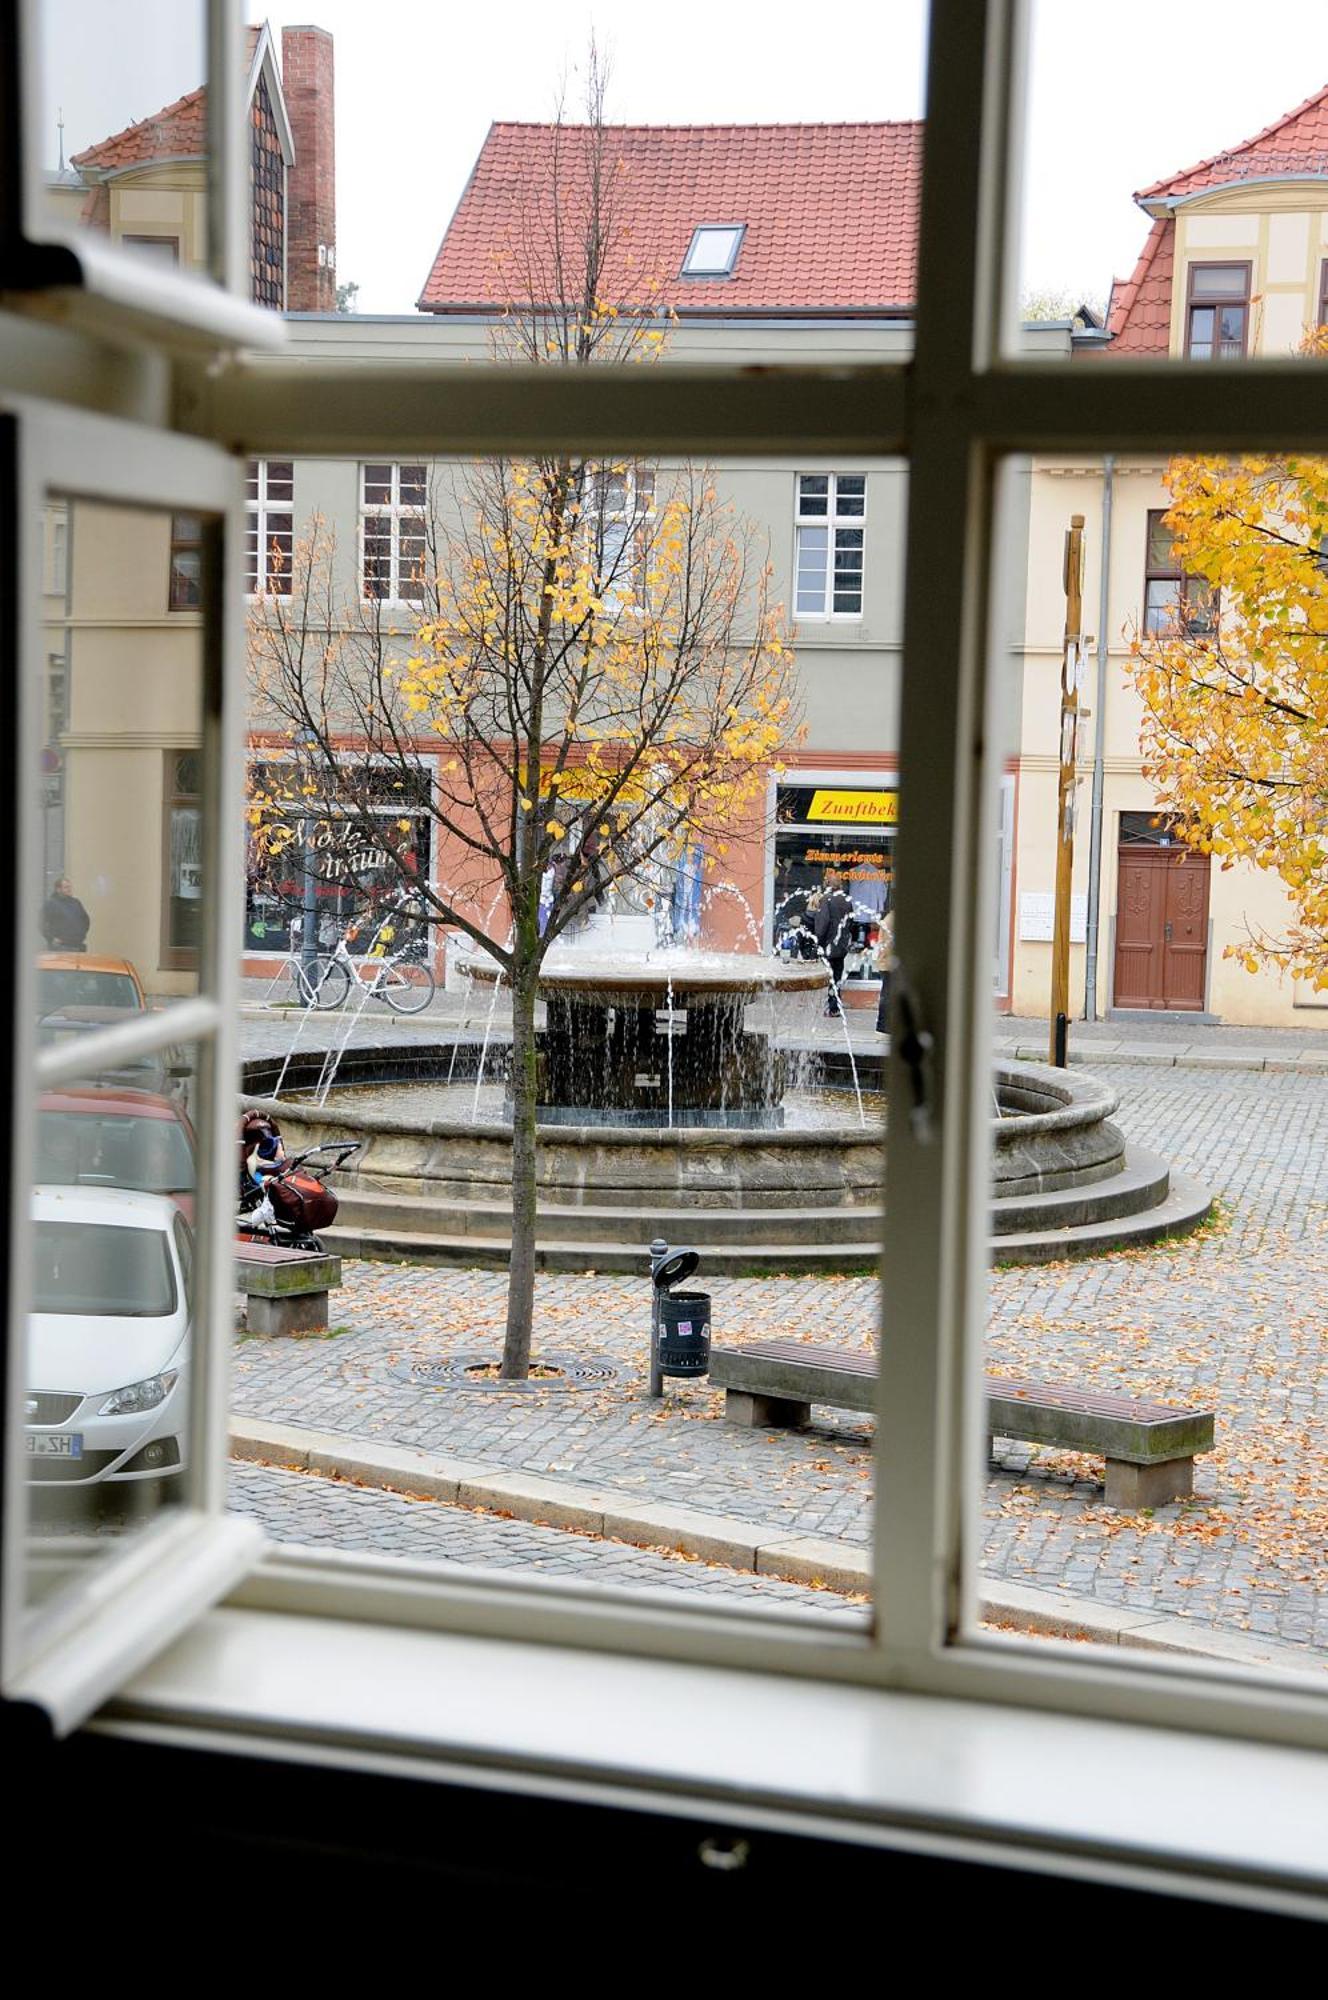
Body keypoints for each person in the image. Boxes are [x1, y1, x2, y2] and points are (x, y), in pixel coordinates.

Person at [812, 870, 854, 1017]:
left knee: (829, 977)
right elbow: (850, 923)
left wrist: (818, 941)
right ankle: (835, 1006)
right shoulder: (847, 900)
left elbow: (822, 924)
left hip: (829, 945)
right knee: (836, 977)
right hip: (841, 946)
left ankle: (832, 1006)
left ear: (828, 884)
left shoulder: (826, 900)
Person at [41, 874, 90, 951]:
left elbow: (85, 920)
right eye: (66, 887)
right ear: (58, 889)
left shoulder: (76, 902)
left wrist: (82, 934)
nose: (69, 889)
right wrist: (51, 938)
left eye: (70, 887)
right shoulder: (51, 904)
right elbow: (42, 924)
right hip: (61, 947)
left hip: (78, 945)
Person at [873, 907, 895, 1036]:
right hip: (888, 962)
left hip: (886, 961)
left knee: (888, 993)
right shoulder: (893, 920)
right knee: (887, 994)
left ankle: (884, 1025)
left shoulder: (889, 918)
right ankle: (882, 1026)